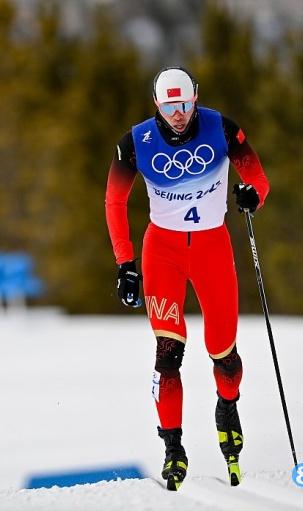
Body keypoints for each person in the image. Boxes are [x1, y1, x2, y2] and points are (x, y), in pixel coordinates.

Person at [104, 66, 270, 491]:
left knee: (223, 351)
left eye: (185, 105)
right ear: (156, 105)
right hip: (164, 252)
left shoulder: (220, 127)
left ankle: (227, 408)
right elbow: (114, 200)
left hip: (212, 248)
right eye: (169, 107)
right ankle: (173, 447)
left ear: (195, 98)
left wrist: (253, 195)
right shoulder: (135, 143)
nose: (178, 115)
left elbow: (256, 176)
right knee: (167, 354)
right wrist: (125, 262)